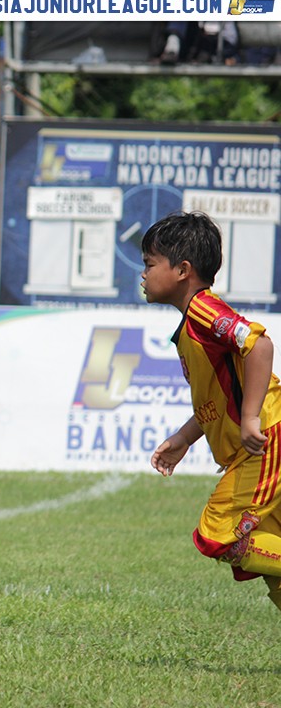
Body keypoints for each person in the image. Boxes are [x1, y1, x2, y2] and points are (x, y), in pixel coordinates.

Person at [143, 211, 281, 611]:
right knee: (270, 566)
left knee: (218, 535)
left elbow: (259, 345)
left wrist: (251, 419)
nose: (143, 274)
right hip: (256, 445)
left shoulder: (204, 310)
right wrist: (184, 438)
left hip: (266, 439)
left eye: (150, 264)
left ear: (182, 270)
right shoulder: (191, 324)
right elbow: (219, 398)